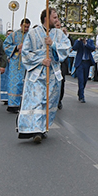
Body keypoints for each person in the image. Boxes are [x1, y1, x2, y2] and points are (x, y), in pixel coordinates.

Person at [18, 8, 71, 143]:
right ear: (46, 18)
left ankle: (42, 128)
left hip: (53, 74)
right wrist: (40, 60)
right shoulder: (33, 33)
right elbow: (25, 53)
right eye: (55, 17)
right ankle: (34, 130)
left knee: (48, 102)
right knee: (36, 102)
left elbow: (66, 49)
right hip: (37, 74)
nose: (57, 20)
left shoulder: (59, 34)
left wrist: (53, 44)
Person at [3, 19, 30, 114]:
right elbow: (5, 46)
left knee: (26, 83)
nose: (26, 29)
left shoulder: (31, 35)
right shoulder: (13, 35)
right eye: (24, 26)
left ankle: (24, 104)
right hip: (16, 61)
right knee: (15, 83)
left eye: (27, 27)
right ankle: (13, 104)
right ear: (21, 25)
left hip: (28, 61)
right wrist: (17, 47)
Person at [72, 35, 96, 103]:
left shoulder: (90, 41)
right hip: (80, 63)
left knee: (85, 79)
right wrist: (79, 40)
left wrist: (85, 43)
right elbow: (74, 47)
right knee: (81, 79)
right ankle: (82, 96)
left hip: (87, 62)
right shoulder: (78, 41)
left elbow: (93, 48)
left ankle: (80, 92)